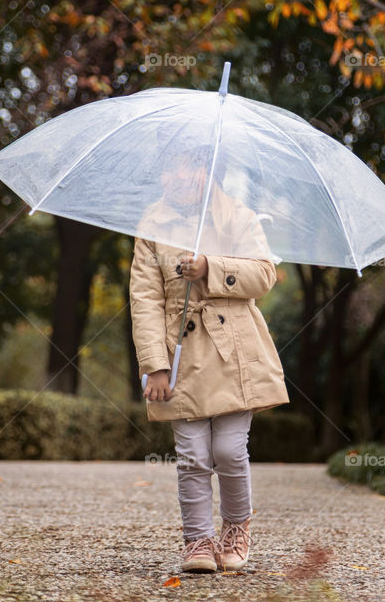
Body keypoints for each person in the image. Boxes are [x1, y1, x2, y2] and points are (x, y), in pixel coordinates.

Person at [129, 169, 289, 574]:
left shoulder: (237, 215)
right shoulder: (151, 225)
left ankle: (236, 527)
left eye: (190, 166)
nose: (179, 176)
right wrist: (155, 367)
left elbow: (264, 274)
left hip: (234, 351)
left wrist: (210, 267)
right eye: (171, 168)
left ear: (208, 172)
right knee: (192, 457)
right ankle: (197, 539)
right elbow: (144, 299)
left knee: (228, 450)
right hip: (178, 353)